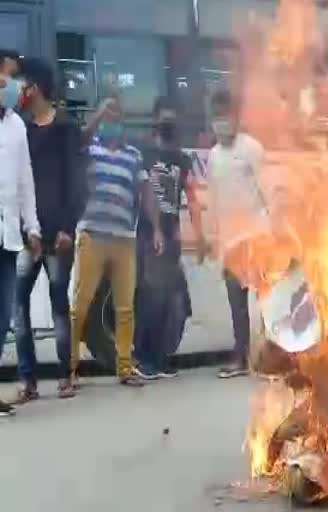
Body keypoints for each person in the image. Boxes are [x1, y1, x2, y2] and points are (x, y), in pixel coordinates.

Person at [66, 94, 164, 392]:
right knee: (80, 306)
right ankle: (69, 369)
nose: (113, 121)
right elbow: (78, 141)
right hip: (92, 235)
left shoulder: (133, 155)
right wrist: (97, 117)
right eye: (108, 115)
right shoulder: (90, 150)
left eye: (116, 116)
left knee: (125, 308)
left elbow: (146, 193)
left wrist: (157, 228)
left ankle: (124, 368)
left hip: (124, 239)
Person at [13, 58, 83, 402]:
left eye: (23, 85)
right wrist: (25, 227)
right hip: (29, 234)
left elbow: (76, 183)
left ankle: (65, 376)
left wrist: (68, 227)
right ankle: (28, 380)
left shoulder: (66, 128)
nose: (19, 91)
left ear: (35, 88)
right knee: (18, 304)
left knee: (58, 305)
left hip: (58, 235)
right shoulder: (20, 129)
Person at [132, 97, 205, 380]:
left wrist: (198, 235)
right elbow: (141, 191)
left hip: (171, 237)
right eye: (164, 120)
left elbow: (193, 198)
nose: (168, 125)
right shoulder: (145, 153)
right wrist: (156, 230)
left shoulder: (183, 159)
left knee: (170, 301)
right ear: (155, 121)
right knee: (150, 298)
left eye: (173, 121)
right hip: (149, 234)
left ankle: (160, 358)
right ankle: (144, 357)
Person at [206, 90, 267, 379]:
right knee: (237, 305)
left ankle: (274, 358)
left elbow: (268, 194)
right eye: (216, 118)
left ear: (235, 117)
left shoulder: (252, 148)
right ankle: (240, 358)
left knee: (268, 302)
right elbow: (215, 201)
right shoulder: (213, 157)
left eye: (225, 116)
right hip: (230, 244)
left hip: (257, 238)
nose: (221, 124)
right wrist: (217, 240)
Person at [0, 67, 42, 416]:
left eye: (10, 80)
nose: (8, 85)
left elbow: (25, 180)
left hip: (9, 236)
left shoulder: (17, 126)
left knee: (3, 316)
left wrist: (34, 228)